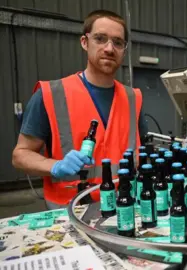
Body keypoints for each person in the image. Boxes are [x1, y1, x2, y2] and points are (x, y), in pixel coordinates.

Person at [12, 10, 149, 210]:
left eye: (118, 42)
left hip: (123, 208)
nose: (109, 48)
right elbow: (20, 155)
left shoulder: (133, 98)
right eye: (100, 39)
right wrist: (55, 166)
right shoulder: (51, 94)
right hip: (69, 211)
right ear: (85, 42)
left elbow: (142, 152)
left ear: (124, 50)